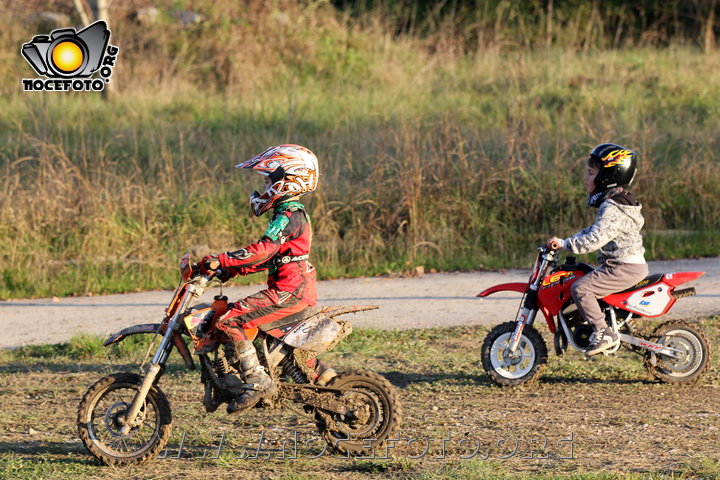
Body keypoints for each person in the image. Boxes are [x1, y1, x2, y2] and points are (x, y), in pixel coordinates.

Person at [201, 144, 320, 413]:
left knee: (229, 319)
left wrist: (222, 259)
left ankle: (257, 381)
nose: (264, 187)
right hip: (290, 288)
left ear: (287, 181)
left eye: (268, 180)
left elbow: (264, 249)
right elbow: (270, 257)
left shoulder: (289, 215)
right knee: (230, 316)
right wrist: (228, 270)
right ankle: (231, 380)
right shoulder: (287, 214)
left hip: (289, 291)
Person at [547, 143, 648, 356]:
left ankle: (603, 332)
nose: (586, 178)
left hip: (623, 267)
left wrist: (566, 244)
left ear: (608, 176)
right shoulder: (616, 204)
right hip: (623, 265)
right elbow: (593, 231)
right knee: (583, 276)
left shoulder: (612, 207)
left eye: (591, 173)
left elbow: (594, 239)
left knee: (581, 289)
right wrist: (567, 240)